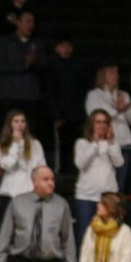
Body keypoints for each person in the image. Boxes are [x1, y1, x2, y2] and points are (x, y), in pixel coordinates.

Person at [74, 109, 124, 247]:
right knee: (85, 236)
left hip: (108, 197)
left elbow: (119, 162)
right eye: (98, 122)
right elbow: (81, 164)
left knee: (109, 236)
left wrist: (110, 143)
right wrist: (95, 144)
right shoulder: (82, 143)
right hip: (86, 196)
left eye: (105, 122)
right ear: (91, 124)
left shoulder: (113, 145)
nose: (102, 125)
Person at [0, 11, 47, 139]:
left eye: (32, 22)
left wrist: (33, 63)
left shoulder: (37, 43)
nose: (31, 25)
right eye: (27, 21)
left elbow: (44, 66)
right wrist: (24, 65)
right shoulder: (5, 42)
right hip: (10, 95)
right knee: (8, 132)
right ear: (18, 22)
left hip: (30, 96)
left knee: (30, 132)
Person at [85, 64, 131, 193]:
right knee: (105, 186)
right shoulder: (94, 95)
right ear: (103, 75)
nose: (116, 75)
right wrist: (118, 111)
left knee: (120, 187)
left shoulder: (123, 94)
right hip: (105, 147)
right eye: (112, 72)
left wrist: (126, 108)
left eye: (117, 72)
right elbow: (96, 116)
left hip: (125, 145)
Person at [46, 38, 90, 174]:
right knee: (62, 146)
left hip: (77, 113)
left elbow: (84, 89)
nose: (65, 49)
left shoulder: (80, 65)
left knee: (78, 144)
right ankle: (62, 173)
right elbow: (51, 92)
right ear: (56, 48)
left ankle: (76, 171)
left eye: (68, 45)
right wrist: (57, 115)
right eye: (62, 45)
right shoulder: (52, 66)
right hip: (62, 114)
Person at [0, 110, 47, 217]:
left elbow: (42, 168)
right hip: (9, 194)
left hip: (30, 192)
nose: (20, 124)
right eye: (16, 121)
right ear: (10, 124)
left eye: (23, 121)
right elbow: (7, 166)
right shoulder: (3, 144)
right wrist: (16, 144)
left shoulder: (35, 144)